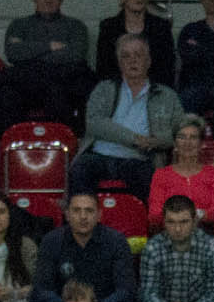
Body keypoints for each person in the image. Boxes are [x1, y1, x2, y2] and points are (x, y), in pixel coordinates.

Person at [78, 34, 183, 203]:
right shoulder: (104, 89)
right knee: (80, 168)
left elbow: (180, 133)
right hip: (100, 156)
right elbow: (94, 123)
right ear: (119, 63)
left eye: (138, 55)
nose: (132, 60)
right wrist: (134, 139)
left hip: (139, 159)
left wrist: (155, 141)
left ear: (148, 61)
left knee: (148, 179)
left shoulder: (167, 95)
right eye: (126, 56)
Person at [33, 190, 140, 302]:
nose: (83, 216)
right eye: (77, 210)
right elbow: (40, 289)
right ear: (67, 214)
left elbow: (126, 289)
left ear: (99, 215)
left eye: (89, 211)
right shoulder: (51, 241)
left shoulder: (116, 241)